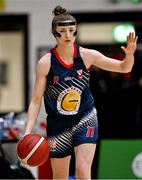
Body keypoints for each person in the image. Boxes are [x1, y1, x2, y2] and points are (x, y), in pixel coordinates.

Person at [23, 5, 138, 180]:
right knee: (60, 176)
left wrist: (129, 55)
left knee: (83, 172)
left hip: (85, 118)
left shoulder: (87, 55)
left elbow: (124, 67)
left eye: (71, 30)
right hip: (58, 123)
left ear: (76, 33)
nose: (68, 34)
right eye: (63, 31)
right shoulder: (46, 63)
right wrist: (28, 131)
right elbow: (36, 101)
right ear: (55, 34)